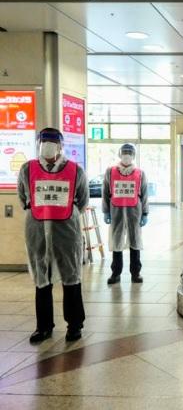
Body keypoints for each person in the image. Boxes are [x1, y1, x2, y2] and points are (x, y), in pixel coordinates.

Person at [17, 128, 88, 343]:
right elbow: (23, 197)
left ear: (61, 145)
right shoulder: (28, 169)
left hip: (67, 231)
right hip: (37, 230)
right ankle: (44, 327)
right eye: (44, 140)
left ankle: (74, 325)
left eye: (52, 141)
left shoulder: (75, 170)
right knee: (42, 279)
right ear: (38, 143)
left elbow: (83, 201)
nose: (47, 144)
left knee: (71, 277)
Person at [102, 143, 149, 284]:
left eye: (129, 152)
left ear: (133, 155)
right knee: (117, 242)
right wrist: (106, 211)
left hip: (134, 211)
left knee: (135, 241)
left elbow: (145, 194)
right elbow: (105, 192)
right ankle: (115, 273)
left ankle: (136, 273)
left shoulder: (140, 173)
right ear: (120, 154)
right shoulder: (110, 172)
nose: (126, 155)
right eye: (124, 152)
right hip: (116, 211)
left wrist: (145, 213)